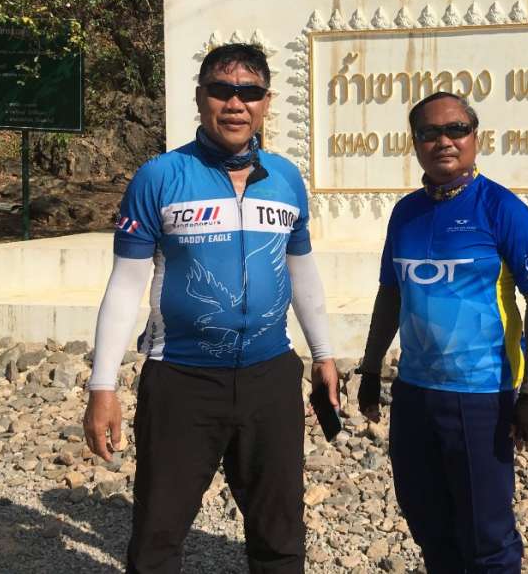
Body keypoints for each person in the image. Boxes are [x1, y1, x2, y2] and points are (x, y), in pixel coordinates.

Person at [83, 42, 339, 573]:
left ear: (267, 102)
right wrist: (101, 387)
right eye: (221, 91)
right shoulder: (159, 176)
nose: (235, 103)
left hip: (270, 374)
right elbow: (125, 285)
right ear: (200, 98)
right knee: (158, 534)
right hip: (181, 377)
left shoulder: (286, 179)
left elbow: (301, 271)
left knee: (280, 534)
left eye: (249, 92)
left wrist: (323, 354)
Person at [356, 91, 528, 573]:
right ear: (415, 143)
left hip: (480, 394)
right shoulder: (405, 213)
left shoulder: (502, 209)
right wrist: (371, 368)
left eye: (456, 130)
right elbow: (391, 294)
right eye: (429, 132)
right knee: (427, 521)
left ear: (474, 137)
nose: (443, 141)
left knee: (487, 535)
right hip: (414, 393)